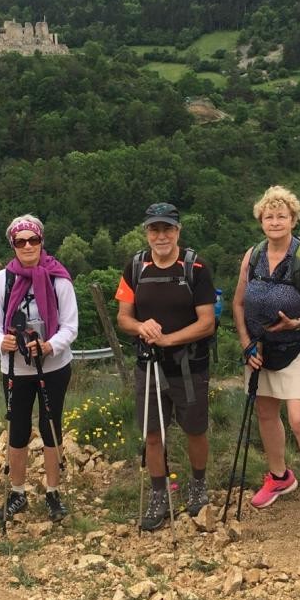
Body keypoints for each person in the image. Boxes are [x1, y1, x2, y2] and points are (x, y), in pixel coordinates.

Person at [232, 186, 300, 524]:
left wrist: (297, 322)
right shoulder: (253, 256)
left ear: (293, 219)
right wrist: (246, 341)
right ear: (260, 220)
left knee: (299, 420)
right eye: (269, 216)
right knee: (265, 413)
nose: (275, 221)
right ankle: (280, 477)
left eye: (282, 215)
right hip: (261, 350)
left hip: (299, 348)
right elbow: (238, 303)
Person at [115, 202, 216, 529]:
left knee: (195, 429)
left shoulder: (196, 268)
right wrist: (141, 328)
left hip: (190, 366)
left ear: (178, 231)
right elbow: (123, 317)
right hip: (149, 365)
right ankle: (159, 493)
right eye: (154, 229)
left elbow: (207, 323)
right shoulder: (134, 266)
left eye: (167, 229)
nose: (161, 236)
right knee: (153, 433)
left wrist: (169, 340)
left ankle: (198, 484)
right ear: (147, 232)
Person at [0, 214, 78, 524]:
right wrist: (3, 342)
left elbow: (70, 326)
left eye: (33, 240)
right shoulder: (2, 280)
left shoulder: (58, 278)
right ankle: (17, 492)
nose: (27, 246)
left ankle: (52, 492)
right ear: (13, 244)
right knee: (19, 428)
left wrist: (49, 346)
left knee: (51, 426)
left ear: (41, 242)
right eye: (20, 241)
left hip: (53, 365)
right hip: (15, 368)